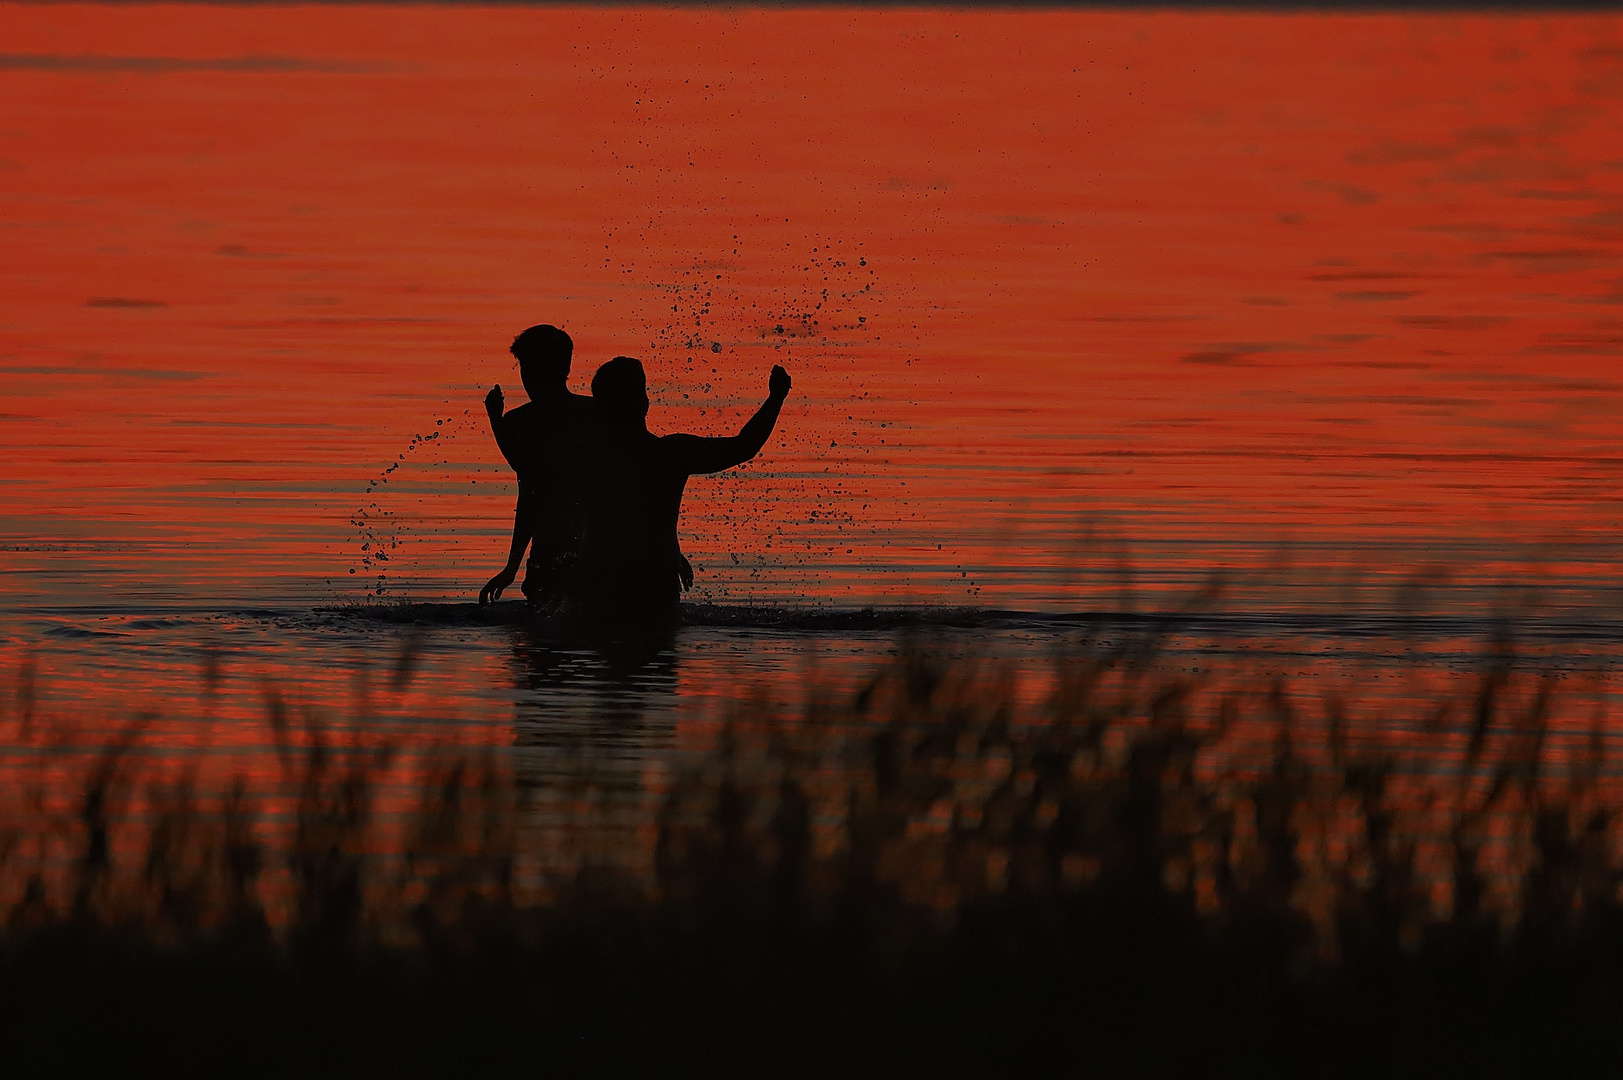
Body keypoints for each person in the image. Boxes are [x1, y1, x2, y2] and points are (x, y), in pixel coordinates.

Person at [581, 356, 791, 634]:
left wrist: (500, 423)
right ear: (643, 403)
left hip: (599, 579)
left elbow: (531, 471)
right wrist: (776, 398)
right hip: (653, 579)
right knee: (655, 657)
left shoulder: (584, 457)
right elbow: (743, 447)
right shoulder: (668, 454)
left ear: (600, 408)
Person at [478, 325, 597, 606]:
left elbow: (530, 494)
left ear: (530, 369)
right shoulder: (596, 413)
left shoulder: (519, 423)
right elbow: (628, 486)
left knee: (544, 634)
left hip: (550, 554)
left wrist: (495, 420)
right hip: (600, 552)